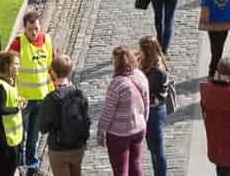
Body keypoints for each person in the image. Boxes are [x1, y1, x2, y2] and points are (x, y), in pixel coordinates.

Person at [8, 10, 55, 174]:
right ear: (24, 28)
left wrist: (53, 90)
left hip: (42, 97)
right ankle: (19, 165)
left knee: (34, 136)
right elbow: (9, 69)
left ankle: (32, 164)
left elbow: (52, 68)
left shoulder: (47, 40)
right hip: (23, 99)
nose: (34, 32)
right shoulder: (18, 43)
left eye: (36, 28)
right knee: (20, 134)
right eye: (30, 29)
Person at [94, 46, 149, 176]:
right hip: (138, 129)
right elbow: (146, 103)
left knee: (120, 170)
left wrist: (101, 131)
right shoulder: (140, 76)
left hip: (119, 134)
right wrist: (143, 121)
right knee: (135, 164)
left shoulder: (116, 84)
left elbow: (108, 112)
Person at [33, 55, 91, 176]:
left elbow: (43, 128)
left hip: (59, 149)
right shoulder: (80, 94)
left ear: (53, 72)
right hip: (78, 147)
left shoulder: (51, 99)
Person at [137, 36, 175, 176]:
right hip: (150, 111)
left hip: (154, 112)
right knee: (153, 149)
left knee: (157, 151)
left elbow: (150, 93)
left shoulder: (157, 70)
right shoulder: (149, 63)